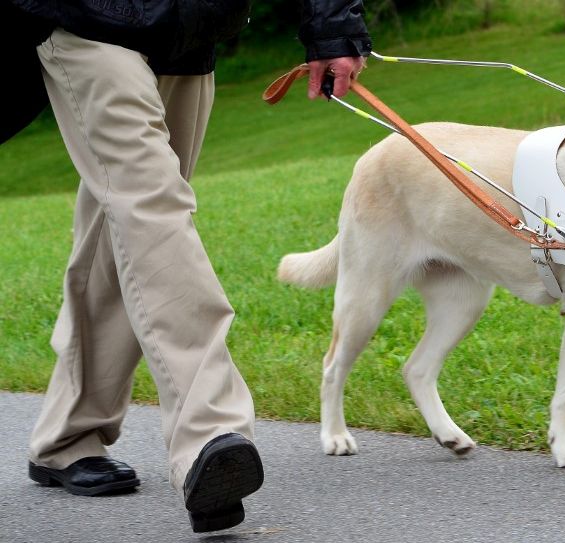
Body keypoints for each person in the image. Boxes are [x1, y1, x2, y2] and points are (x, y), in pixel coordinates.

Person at [5, 0, 371, 533]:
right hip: (87, 19)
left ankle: (68, 431)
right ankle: (210, 431)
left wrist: (332, 23)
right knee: (153, 209)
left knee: (125, 222)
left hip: (192, 28)